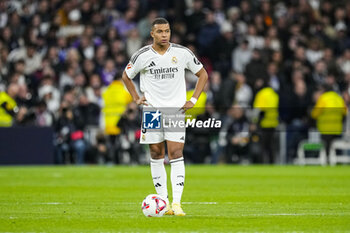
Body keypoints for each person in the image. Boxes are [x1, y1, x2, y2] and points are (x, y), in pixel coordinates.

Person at [122, 18, 208, 216]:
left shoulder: (182, 53)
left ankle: (177, 203)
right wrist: (135, 97)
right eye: (160, 31)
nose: (164, 35)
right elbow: (126, 76)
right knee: (156, 153)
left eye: (167, 31)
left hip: (175, 111)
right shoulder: (141, 55)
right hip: (152, 111)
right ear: (152, 33)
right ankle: (164, 202)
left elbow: (202, 74)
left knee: (176, 153)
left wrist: (193, 100)